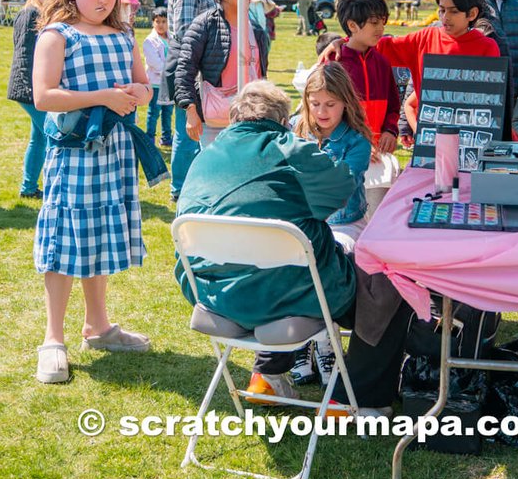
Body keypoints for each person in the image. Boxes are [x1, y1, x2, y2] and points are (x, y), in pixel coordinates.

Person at [174, 81, 414, 412]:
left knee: (285, 267)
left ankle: (267, 377)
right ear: (283, 120)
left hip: (211, 293)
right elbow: (340, 192)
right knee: (387, 283)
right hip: (289, 290)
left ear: (234, 118)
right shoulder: (291, 149)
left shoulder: (204, 156)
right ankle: (355, 398)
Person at [30, 0, 156, 384]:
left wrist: (139, 91)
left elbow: (145, 86)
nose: (102, 0)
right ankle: (52, 339)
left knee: (99, 233)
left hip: (116, 150)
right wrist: (102, 96)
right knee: (67, 237)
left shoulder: (123, 33)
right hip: (76, 150)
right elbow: (44, 96)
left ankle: (98, 327)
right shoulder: (56, 35)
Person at [330, 0, 501, 105]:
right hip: (430, 137)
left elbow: (492, 99)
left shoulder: (487, 47)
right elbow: (378, 45)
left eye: (453, 11)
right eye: (441, 10)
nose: (445, 17)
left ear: (471, 14)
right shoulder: (423, 39)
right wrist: (344, 42)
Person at [172, 0, 271, 164]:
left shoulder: (257, 31)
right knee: (217, 172)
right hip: (216, 119)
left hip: (252, 118)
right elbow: (184, 69)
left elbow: (261, 75)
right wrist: (190, 111)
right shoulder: (205, 24)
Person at [167, 0, 225, 199]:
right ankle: (180, 189)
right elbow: (183, 30)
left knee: (197, 130)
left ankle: (193, 186)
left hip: (199, 65)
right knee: (188, 131)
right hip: (187, 66)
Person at [295, 64, 375, 247]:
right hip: (301, 221)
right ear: (306, 101)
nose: (322, 112)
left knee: (330, 253)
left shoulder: (357, 142)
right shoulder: (295, 129)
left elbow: (342, 186)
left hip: (344, 224)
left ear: (345, 102)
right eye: (315, 104)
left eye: (330, 104)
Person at [8, 0, 59, 199]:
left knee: (38, 137)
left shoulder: (45, 14)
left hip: (33, 86)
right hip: (28, 86)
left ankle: (28, 187)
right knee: (52, 135)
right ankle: (53, 187)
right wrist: (33, 88)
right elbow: (24, 54)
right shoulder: (30, 14)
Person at [332, 0, 402, 155]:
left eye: (383, 22)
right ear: (352, 26)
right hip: (343, 154)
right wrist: (358, 146)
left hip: (379, 155)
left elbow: (393, 106)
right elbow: (325, 113)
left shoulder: (382, 63)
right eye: (374, 22)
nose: (381, 28)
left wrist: (390, 131)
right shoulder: (334, 63)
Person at [143, 9, 173, 151]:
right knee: (154, 112)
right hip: (156, 83)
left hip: (169, 83)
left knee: (168, 112)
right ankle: (149, 139)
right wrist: (171, 72)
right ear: (153, 22)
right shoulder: (149, 41)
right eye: (157, 21)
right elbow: (155, 63)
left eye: (164, 21)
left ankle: (167, 138)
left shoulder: (171, 38)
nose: (161, 25)